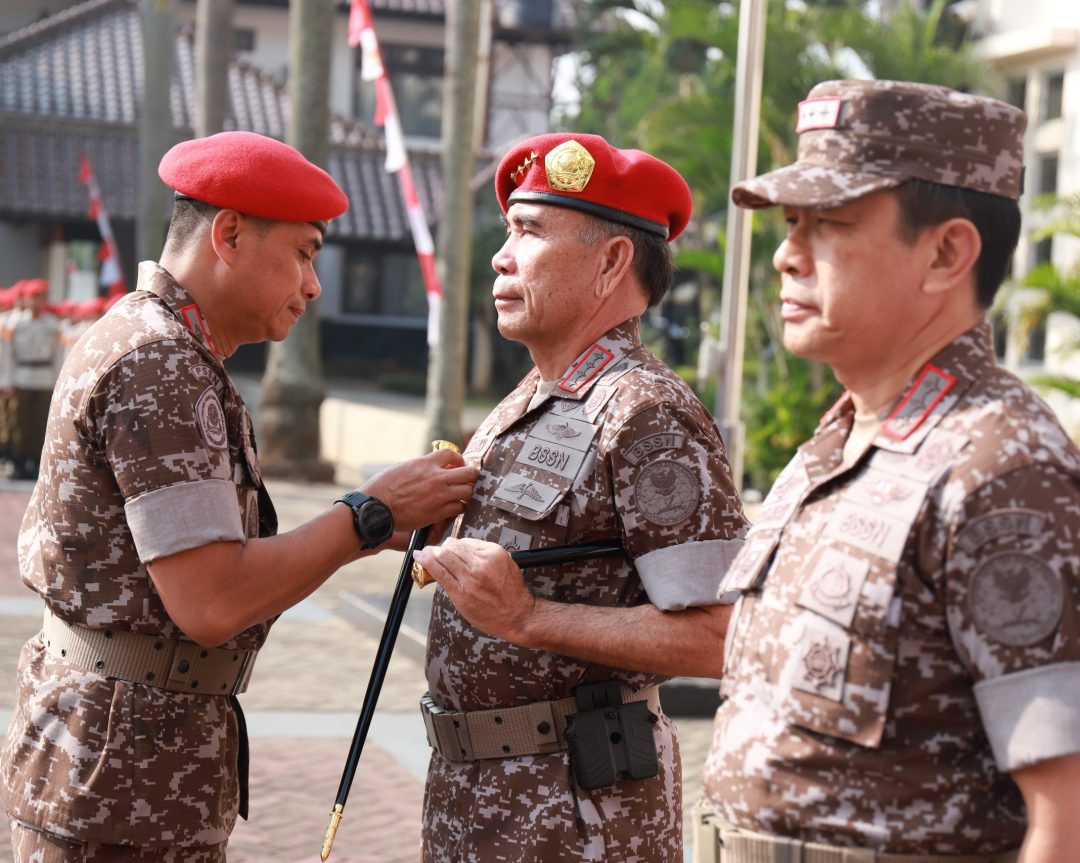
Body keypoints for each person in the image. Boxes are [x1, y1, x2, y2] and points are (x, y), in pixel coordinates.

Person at [0, 130, 478, 862]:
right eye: (305, 252)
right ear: (228, 234)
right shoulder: (160, 360)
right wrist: (367, 514)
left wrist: (368, 527)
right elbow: (213, 600)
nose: (314, 284)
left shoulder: (166, 345)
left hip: (131, 769)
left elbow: (214, 567)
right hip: (122, 785)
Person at [690, 79, 1080, 862]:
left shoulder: (1001, 465)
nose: (786, 254)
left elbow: (1066, 810)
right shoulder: (838, 444)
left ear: (946, 253)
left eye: (829, 224)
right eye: (790, 222)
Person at [412, 132, 749, 861]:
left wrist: (530, 617)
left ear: (611, 261)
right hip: (474, 801)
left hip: (579, 818)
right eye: (509, 231)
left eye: (529, 232)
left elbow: (721, 635)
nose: (502, 255)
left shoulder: (646, 412)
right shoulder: (529, 397)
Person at [1, 278, 60, 479]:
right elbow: (7, 355)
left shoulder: (52, 324)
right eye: (33, 298)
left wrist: (57, 382)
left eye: (41, 298)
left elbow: (58, 355)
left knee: (41, 423)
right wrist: (7, 382)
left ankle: (36, 463)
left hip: (44, 378)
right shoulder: (15, 324)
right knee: (20, 424)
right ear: (27, 300)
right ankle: (19, 463)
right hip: (21, 378)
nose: (37, 302)